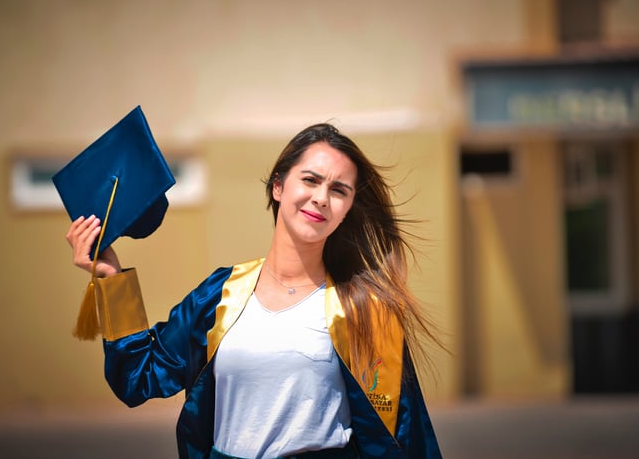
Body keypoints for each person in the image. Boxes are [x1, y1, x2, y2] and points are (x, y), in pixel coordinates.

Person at [66, 123, 443, 459]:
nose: (322, 198)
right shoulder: (219, 296)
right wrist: (110, 278)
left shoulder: (365, 310)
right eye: (310, 180)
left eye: (339, 190)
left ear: (346, 209)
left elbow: (407, 436)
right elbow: (137, 378)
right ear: (278, 186)